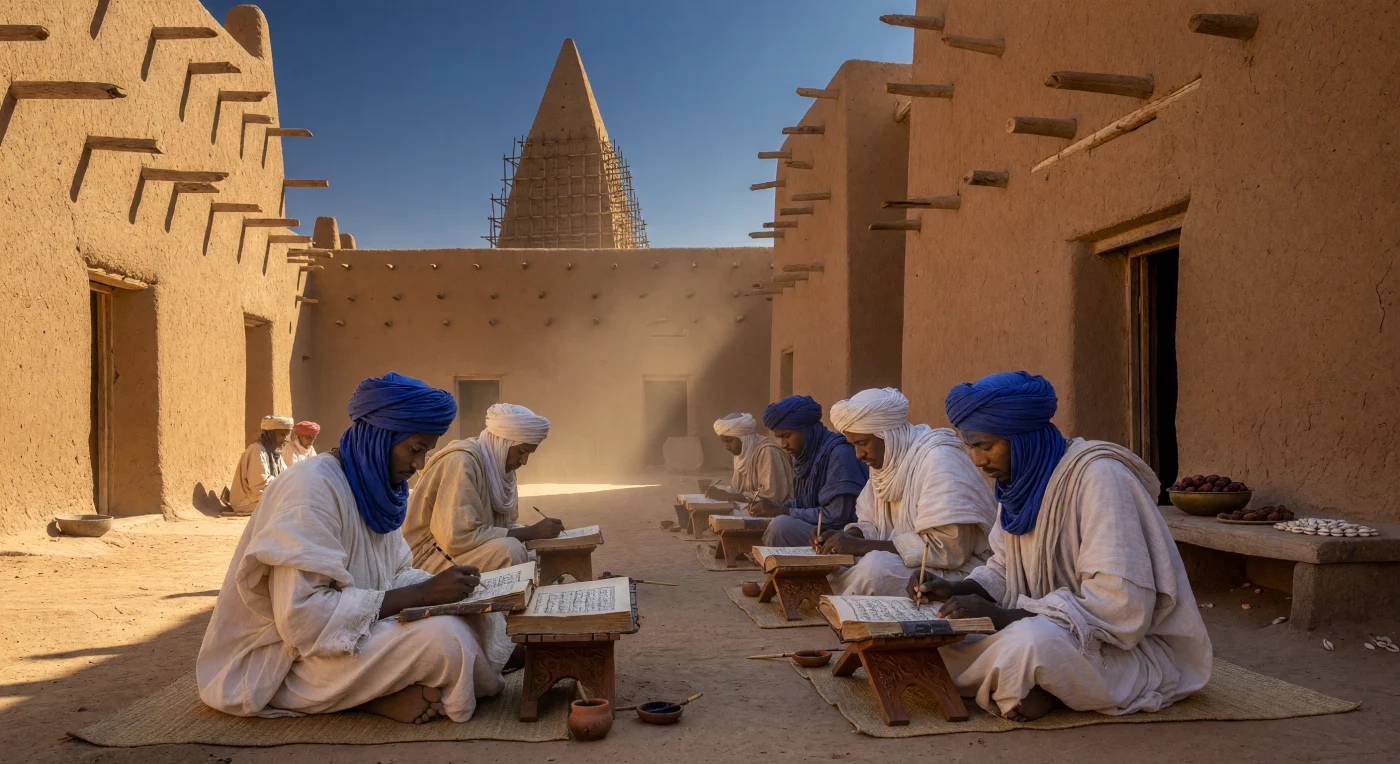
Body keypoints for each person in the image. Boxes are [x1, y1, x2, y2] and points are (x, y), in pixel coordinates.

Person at [198, 372, 514, 724]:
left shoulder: (375, 488)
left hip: (351, 632)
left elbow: (394, 573)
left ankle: (377, 692)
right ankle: (367, 697)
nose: (419, 464)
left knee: (468, 616)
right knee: (446, 639)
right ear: (381, 438)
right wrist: (422, 594)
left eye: (425, 451)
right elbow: (303, 620)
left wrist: (445, 591)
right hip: (284, 659)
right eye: (415, 449)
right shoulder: (311, 488)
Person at [910, 372, 1211, 722]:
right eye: (970, 446)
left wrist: (1004, 617)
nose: (978, 460)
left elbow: (1121, 607)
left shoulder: (1101, 478)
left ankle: (1047, 683)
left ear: (1022, 438)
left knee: (1030, 644)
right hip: (1042, 623)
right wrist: (955, 588)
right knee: (937, 634)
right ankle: (1041, 683)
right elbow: (1004, 569)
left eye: (986, 446)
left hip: (1117, 645)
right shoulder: (1018, 482)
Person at [814, 388, 996, 596]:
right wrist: (847, 537)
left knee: (875, 569)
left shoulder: (939, 459)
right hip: (909, 564)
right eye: (853, 445)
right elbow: (873, 524)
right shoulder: (886, 463)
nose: (858, 454)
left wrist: (860, 546)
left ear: (887, 436)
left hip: (958, 575)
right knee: (830, 567)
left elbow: (949, 549)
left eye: (863, 443)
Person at [402, 403, 562, 574]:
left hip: (464, 551)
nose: (524, 461)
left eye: (529, 453)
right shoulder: (462, 462)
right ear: (503, 443)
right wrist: (530, 532)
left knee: (534, 550)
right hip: (430, 556)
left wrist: (534, 533)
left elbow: (501, 526)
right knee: (511, 552)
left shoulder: (501, 468)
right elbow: (456, 538)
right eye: (522, 451)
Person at [753, 395, 868, 546]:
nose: (783, 444)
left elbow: (837, 516)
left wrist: (784, 512)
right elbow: (805, 504)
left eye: (787, 436)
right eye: (779, 437)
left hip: (842, 536)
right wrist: (776, 507)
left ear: (807, 430)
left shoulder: (840, 453)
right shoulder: (803, 454)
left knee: (780, 526)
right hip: (818, 530)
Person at [703, 412, 793, 505]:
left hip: (774, 510)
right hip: (752, 507)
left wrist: (730, 496)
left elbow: (772, 496)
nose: (727, 447)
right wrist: (723, 492)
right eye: (725, 442)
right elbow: (739, 490)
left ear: (743, 438)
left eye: (729, 441)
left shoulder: (767, 451)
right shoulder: (743, 452)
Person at [228, 416, 292, 515]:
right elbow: (260, 487)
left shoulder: (274, 451)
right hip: (247, 502)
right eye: (282, 435)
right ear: (270, 434)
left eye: (286, 436)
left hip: (263, 497)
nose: (285, 440)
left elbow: (285, 475)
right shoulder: (257, 450)